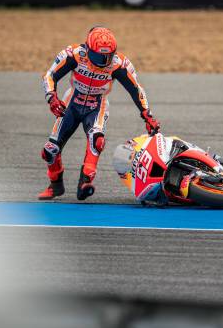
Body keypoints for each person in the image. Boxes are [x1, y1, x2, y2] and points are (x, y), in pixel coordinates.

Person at [38, 26, 160, 200]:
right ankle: (55, 185)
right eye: (98, 56)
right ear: (87, 48)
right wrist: (51, 97)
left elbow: (136, 89)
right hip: (71, 102)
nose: (104, 60)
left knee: (97, 140)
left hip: (98, 104)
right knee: (49, 150)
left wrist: (147, 115)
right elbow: (49, 75)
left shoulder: (119, 63)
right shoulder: (73, 54)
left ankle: (86, 181)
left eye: (108, 55)